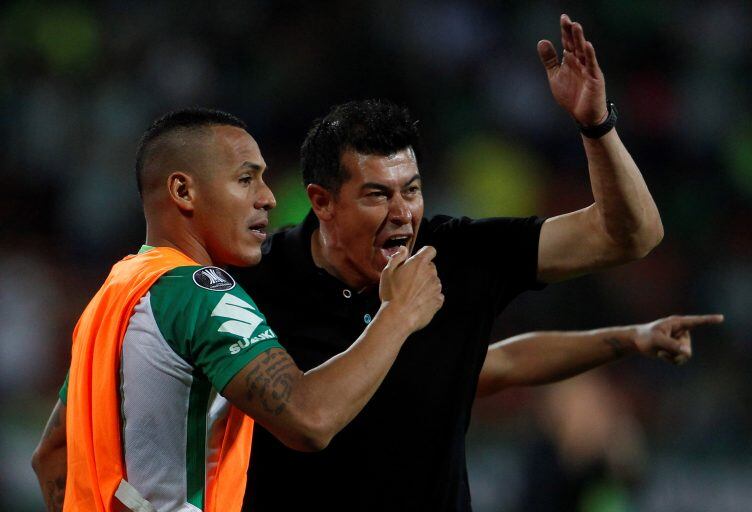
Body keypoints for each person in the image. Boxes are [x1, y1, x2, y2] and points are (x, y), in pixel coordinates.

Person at [235, 15, 722, 511]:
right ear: (322, 201)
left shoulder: (456, 254)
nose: (403, 212)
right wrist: (399, 315)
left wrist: (596, 126)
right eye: (377, 194)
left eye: (412, 189)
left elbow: (632, 237)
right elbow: (306, 422)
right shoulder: (256, 281)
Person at [30, 108, 444, 512]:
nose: (268, 198)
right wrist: (399, 313)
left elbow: (53, 453)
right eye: (246, 179)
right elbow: (309, 419)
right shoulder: (201, 293)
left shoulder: (116, 292)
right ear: (183, 191)